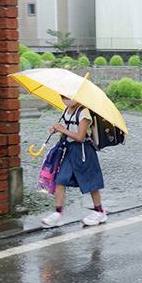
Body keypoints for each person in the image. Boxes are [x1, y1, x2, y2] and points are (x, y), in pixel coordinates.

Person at [41, 96, 106, 228]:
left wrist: (63, 129)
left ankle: (100, 211)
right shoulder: (67, 110)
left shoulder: (83, 113)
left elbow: (80, 137)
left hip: (84, 151)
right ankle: (58, 213)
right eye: (63, 96)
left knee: (91, 181)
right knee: (60, 179)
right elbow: (67, 129)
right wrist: (56, 129)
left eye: (68, 96)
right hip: (70, 150)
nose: (65, 98)